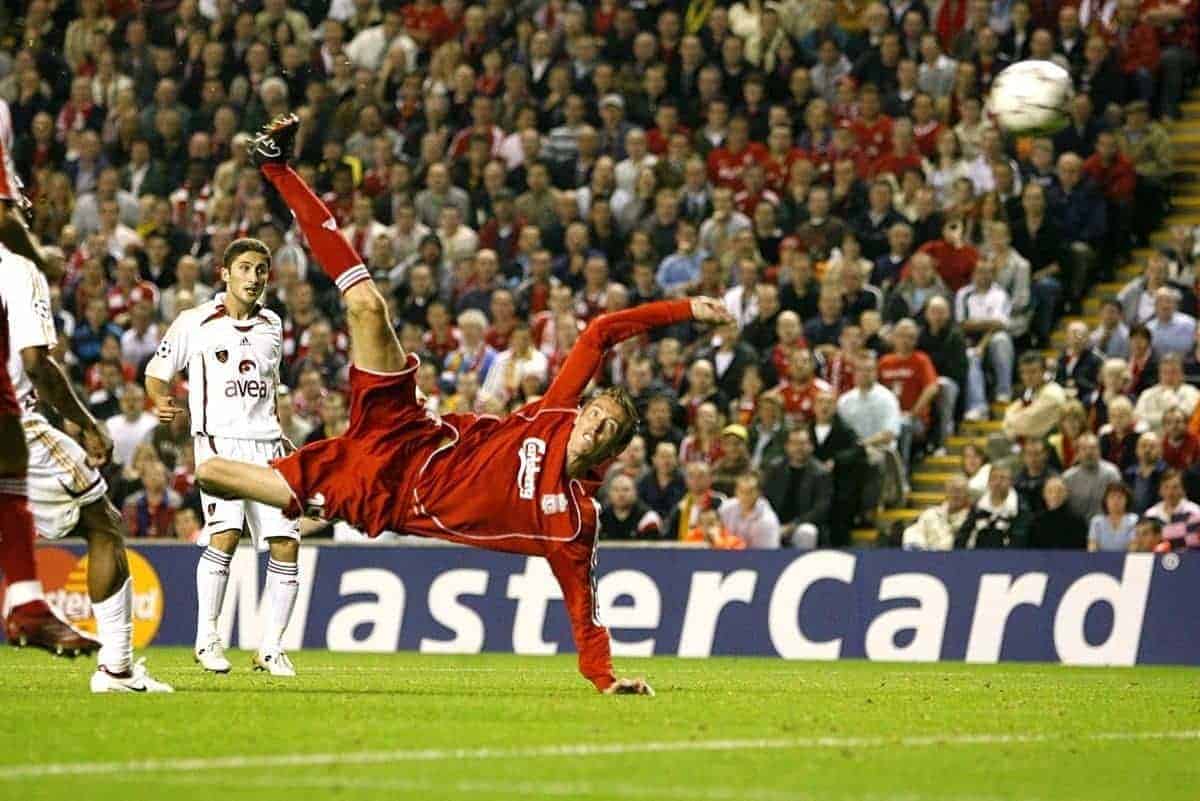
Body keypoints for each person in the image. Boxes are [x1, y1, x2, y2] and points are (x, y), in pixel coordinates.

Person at [197, 115, 736, 695]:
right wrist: (685, 310)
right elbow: (601, 331)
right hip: (413, 428)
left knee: (217, 474)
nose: (594, 429)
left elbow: (585, 606)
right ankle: (276, 165)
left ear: (614, 452)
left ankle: (217, 464)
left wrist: (603, 677)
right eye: (595, 415)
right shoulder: (556, 414)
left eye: (608, 432)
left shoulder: (571, 523)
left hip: (388, 491)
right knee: (366, 306)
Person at [0, 242, 170, 691]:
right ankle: (117, 669)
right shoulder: (16, 267)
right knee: (103, 522)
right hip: (14, 423)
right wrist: (86, 423)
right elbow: (36, 361)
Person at [144, 236, 312, 677]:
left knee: (287, 543)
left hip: (268, 448)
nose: (253, 278)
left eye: (260, 270)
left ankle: (271, 648)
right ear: (225, 273)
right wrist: (159, 400)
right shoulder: (194, 322)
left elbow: (270, 390)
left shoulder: (274, 325)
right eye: (245, 269)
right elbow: (157, 372)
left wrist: (283, 438)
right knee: (225, 535)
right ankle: (207, 638)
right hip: (220, 445)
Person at [763, 428, 832, 549]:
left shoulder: (821, 473)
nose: (798, 448)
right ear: (787, 446)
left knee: (807, 532)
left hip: (803, 525)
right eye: (794, 443)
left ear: (811, 446)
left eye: (803, 443)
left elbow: (821, 508)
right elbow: (764, 498)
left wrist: (793, 525)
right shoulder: (774, 468)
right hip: (774, 522)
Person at [955, 461, 1029, 549]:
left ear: (1011, 481)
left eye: (1002, 478)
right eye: (994, 478)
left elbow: (1019, 540)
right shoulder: (978, 506)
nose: (997, 482)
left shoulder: (1021, 507)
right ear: (989, 481)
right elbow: (964, 534)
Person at [1062, 433, 1123, 521]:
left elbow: (1119, 503)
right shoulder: (1068, 477)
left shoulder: (1111, 473)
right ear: (1077, 453)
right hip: (1077, 527)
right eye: (1084, 449)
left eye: (1093, 448)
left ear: (1099, 451)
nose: (1089, 452)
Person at [902, 475, 972, 550]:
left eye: (960, 491)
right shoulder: (931, 514)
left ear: (967, 495)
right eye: (952, 490)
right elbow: (914, 533)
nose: (956, 494)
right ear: (946, 492)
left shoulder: (972, 520)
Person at [717, 472, 781, 548]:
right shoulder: (725, 508)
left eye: (750, 492)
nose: (745, 496)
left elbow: (767, 554)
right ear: (736, 491)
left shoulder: (767, 521)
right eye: (741, 491)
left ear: (759, 493)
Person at [1145, 469, 1200, 550]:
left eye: (1175, 487)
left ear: (1183, 490)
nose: (1170, 492)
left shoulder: (1194, 512)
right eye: (1166, 487)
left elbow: (1194, 543)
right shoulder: (1151, 514)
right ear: (1160, 490)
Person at [1028, 476, 1088, 549]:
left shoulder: (1077, 521)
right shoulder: (1036, 521)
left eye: (1059, 491)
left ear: (1066, 494)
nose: (1054, 495)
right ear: (1044, 495)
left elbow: (1082, 549)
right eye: (1050, 491)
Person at [599, 475, 663, 539]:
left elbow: (651, 547)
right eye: (616, 490)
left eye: (626, 490)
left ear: (635, 492)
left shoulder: (648, 518)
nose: (621, 494)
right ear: (609, 493)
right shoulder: (600, 517)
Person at [1089, 482, 1138, 552]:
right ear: (1105, 500)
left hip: (1126, 559)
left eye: (1120, 497)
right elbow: (1092, 545)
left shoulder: (1134, 519)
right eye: (1112, 497)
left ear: (1127, 500)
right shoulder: (1097, 521)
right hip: (1100, 559)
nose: (1116, 501)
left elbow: (1133, 545)